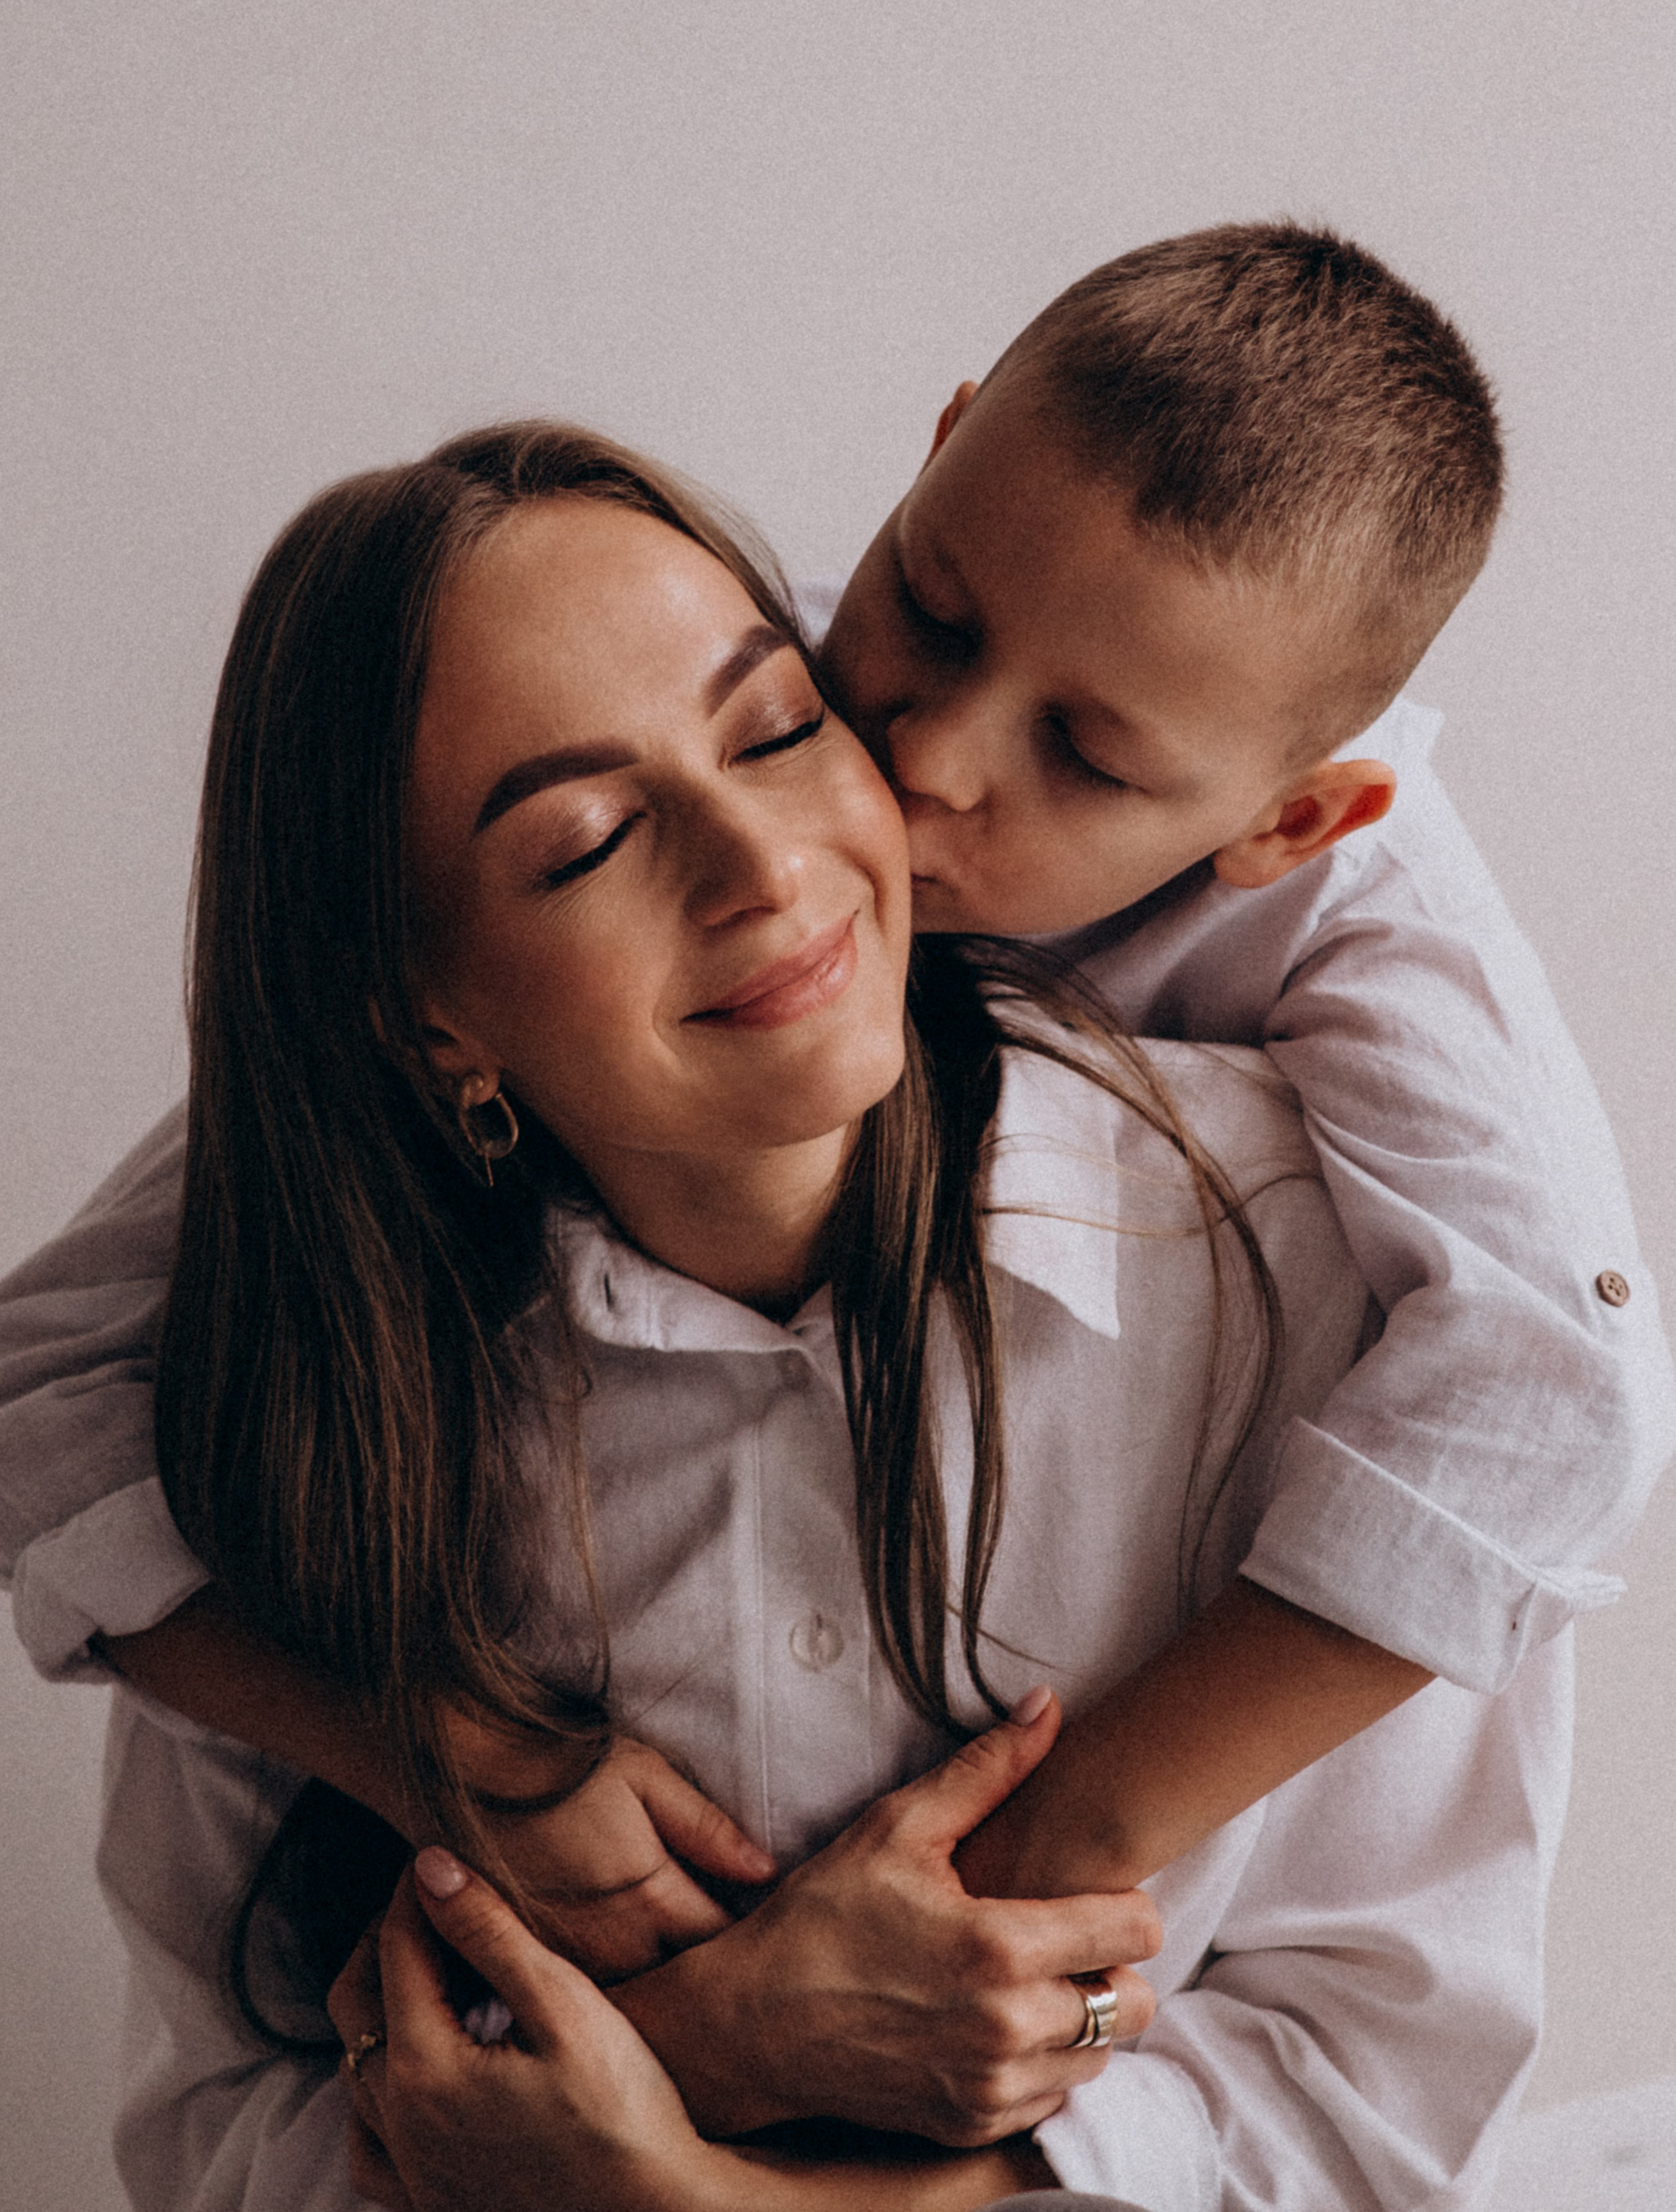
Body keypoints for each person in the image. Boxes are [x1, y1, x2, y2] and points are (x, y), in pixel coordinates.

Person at [0, 424, 1564, 2212]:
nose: (763, 870)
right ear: (425, 1016)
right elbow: (242, 2197)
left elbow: (1382, 2118)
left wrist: (717, 2211)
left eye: (775, 728)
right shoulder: (303, 1434)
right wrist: (711, 2048)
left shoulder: (1296, 1273)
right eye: (580, 847)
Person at [0, 222, 1666, 1955]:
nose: (918, 755)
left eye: (1079, 756)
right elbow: (77, 1338)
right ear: (941, 447)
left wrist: (1048, 1848)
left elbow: (1559, 1384)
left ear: (1284, 823)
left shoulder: (1363, 926)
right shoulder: (714, 701)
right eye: (926, 618)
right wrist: (437, 1749)